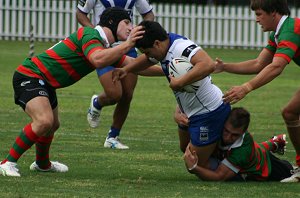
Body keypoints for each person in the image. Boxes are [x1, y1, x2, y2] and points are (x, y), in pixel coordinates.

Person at [0, 7, 145, 177]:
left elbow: (133, 63)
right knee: (44, 121)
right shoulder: (90, 34)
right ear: (112, 22)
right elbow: (97, 60)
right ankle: (7, 162)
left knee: (53, 125)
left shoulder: (104, 46)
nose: (131, 27)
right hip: (31, 75)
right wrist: (128, 44)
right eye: (127, 22)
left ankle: (42, 164)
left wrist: (165, 66)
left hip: (45, 81)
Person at [113, 20, 231, 170]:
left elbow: (208, 64)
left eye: (148, 51)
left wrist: (180, 82)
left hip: (209, 111)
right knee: (185, 148)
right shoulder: (164, 46)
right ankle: (220, 151)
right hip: (190, 112)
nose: (148, 56)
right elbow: (148, 60)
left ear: (156, 43)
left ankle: (237, 168)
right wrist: (127, 70)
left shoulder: (180, 47)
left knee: (196, 164)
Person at [214, 0, 300, 182]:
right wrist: (225, 67)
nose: (256, 19)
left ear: (274, 13)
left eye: (259, 14)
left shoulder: (291, 29)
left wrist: (246, 87)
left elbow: (277, 66)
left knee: (290, 112)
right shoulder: (280, 33)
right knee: (290, 113)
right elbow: (259, 64)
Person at [76, 0, 155, 149]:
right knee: (114, 94)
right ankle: (98, 102)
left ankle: (113, 137)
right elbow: (80, 13)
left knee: (127, 95)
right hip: (104, 46)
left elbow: (149, 14)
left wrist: (138, 30)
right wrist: (94, 32)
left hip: (128, 46)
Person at [182, 107, 293, 181]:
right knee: (256, 148)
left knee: (289, 170)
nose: (228, 137)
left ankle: (276, 146)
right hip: (254, 151)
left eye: (234, 135)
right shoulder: (218, 124)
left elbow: (220, 176)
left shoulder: (242, 150)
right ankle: (275, 143)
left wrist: (195, 168)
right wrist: (181, 121)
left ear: (243, 132)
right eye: (226, 131)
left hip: (265, 167)